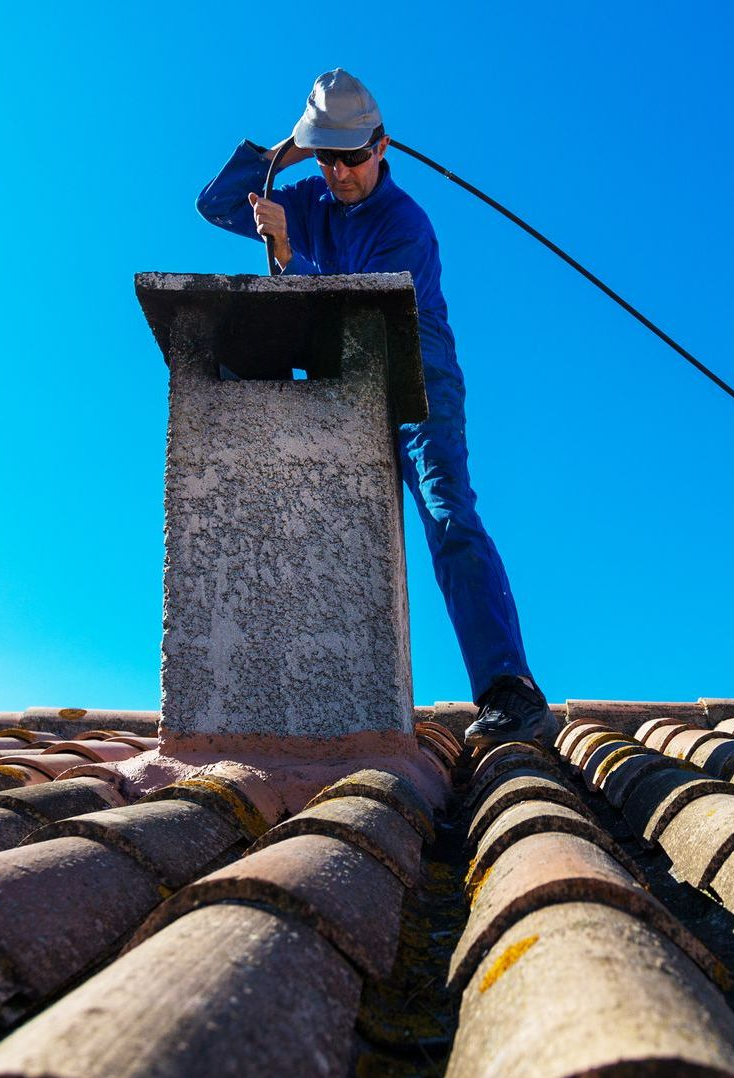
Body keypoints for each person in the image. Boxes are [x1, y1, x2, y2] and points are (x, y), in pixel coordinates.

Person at [197, 68, 556, 748]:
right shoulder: (308, 194)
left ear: (382, 147)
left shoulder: (405, 224)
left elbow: (360, 306)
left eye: (352, 157)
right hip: (346, 381)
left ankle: (510, 687)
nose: (341, 173)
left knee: (446, 510)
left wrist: (288, 252)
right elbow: (217, 203)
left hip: (415, 378)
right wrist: (288, 152)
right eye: (328, 157)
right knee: (325, 524)